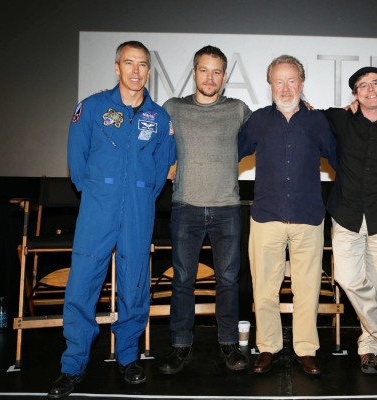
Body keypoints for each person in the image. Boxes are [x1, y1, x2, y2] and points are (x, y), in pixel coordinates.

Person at [48, 41, 176, 399]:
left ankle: (128, 357)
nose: (136, 71)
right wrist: (102, 191)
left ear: (149, 71)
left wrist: (137, 195)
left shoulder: (159, 118)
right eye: (129, 63)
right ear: (117, 67)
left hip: (138, 209)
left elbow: (164, 165)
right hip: (97, 208)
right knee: (83, 284)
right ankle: (73, 365)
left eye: (143, 65)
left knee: (135, 284)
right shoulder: (91, 108)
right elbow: (77, 162)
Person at [238, 55, 337, 375]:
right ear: (270, 84)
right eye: (278, 81)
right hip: (266, 217)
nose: (285, 87)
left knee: (307, 289)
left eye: (291, 80)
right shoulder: (257, 120)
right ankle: (268, 347)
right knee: (264, 289)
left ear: (302, 83)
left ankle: (306, 350)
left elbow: (340, 159)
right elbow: (229, 153)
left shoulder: (317, 120)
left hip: (309, 217)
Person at [158, 45, 252, 374]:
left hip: (227, 207)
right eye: (203, 70)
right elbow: (144, 130)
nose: (209, 77)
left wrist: (302, 112)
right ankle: (180, 346)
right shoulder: (173, 108)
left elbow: (269, 132)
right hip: (186, 207)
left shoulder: (239, 109)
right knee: (183, 280)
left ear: (224, 77)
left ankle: (228, 344)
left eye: (216, 71)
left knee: (227, 280)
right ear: (194, 72)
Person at [321, 67, 377, 374]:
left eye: (375, 83)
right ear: (355, 93)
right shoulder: (339, 118)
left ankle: (368, 348)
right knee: (348, 278)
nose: (370, 89)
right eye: (363, 85)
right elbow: (306, 114)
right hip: (346, 212)